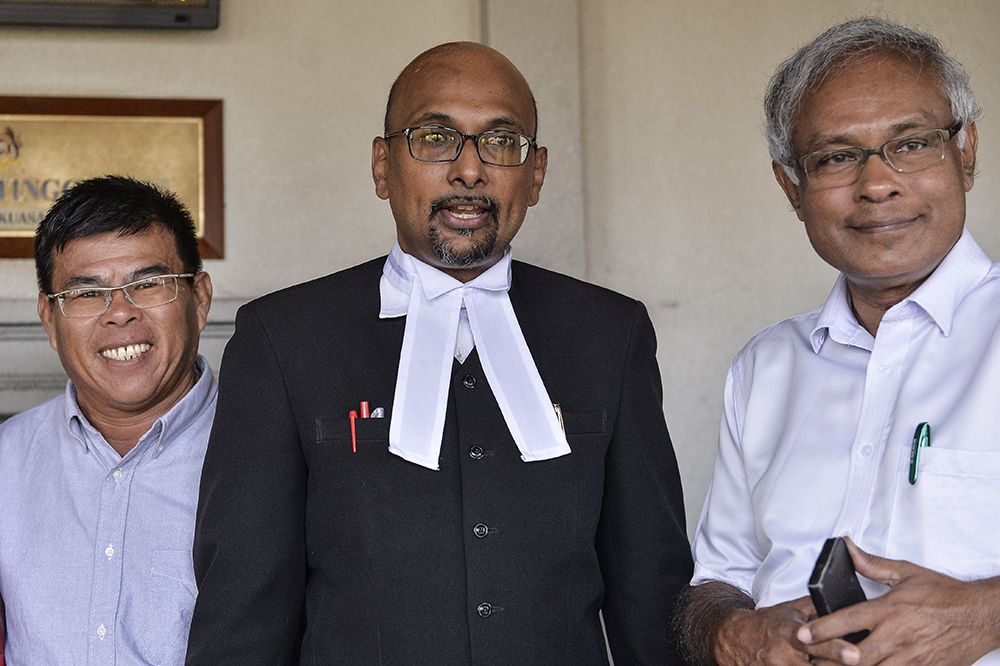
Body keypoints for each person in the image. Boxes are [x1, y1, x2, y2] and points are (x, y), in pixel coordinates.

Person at [186, 41, 691, 664]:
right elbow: (244, 608)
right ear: (382, 166)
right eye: (434, 137)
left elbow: (651, 589)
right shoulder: (284, 338)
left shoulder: (611, 334)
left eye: (502, 142)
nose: (470, 170)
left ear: (535, 176)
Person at [681, 16, 1000, 666]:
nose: (877, 183)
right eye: (836, 157)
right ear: (792, 188)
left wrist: (985, 616)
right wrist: (734, 635)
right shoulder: (765, 367)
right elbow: (719, 579)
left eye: (911, 144)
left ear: (965, 151)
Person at [0, 176, 215, 664]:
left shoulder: (274, 452)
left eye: (148, 284)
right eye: (86, 294)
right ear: (48, 319)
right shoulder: (7, 460)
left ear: (199, 299)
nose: (119, 313)